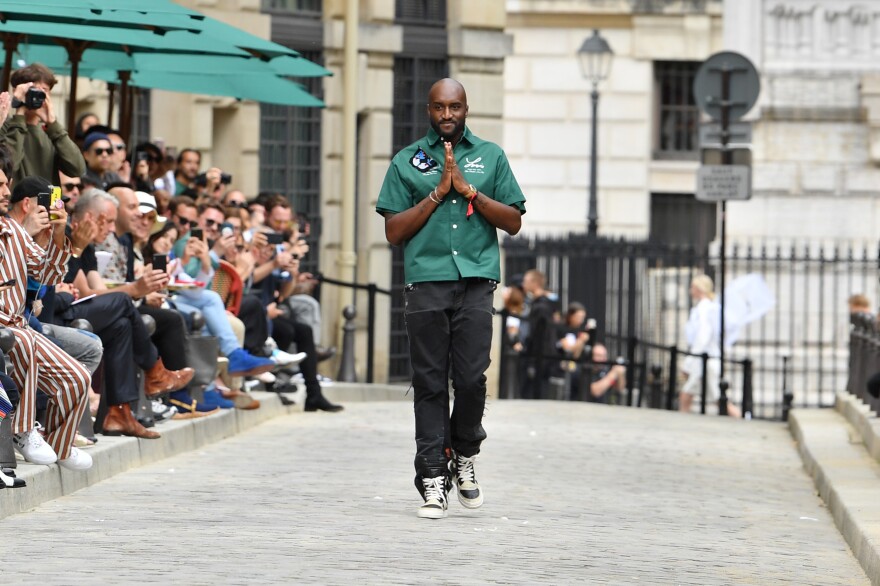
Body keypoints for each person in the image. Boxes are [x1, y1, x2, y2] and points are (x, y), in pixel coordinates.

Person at [376, 78, 526, 519]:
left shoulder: (491, 156)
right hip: (427, 281)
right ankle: (432, 476)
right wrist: (438, 193)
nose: (447, 115)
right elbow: (393, 231)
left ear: (466, 109)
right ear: (428, 110)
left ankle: (464, 453)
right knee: (429, 381)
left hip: (477, 281)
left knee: (472, 378)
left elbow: (513, 222)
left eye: (455, 107)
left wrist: (470, 192)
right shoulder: (406, 161)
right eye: (439, 108)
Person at [0, 160, 95, 470]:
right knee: (23, 340)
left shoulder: (12, 227)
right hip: (8, 327)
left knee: (78, 376)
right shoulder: (16, 228)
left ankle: (60, 443)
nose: (6, 192)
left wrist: (57, 233)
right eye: (0, 185)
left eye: (6, 184)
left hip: (18, 324)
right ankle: (22, 431)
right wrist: (27, 232)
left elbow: (47, 274)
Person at [0, 63, 86, 185]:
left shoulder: (52, 132)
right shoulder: (4, 127)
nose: (37, 96)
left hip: (48, 202)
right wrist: (19, 113)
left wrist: (53, 125)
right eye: (32, 90)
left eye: (44, 91)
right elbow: (9, 168)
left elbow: (77, 169)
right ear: (16, 91)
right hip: (17, 203)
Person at [679, 275, 742, 417]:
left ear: (699, 289)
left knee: (717, 399)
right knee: (687, 395)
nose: (690, 291)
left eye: (692, 287)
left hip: (704, 361)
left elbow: (702, 338)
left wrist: (688, 363)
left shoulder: (704, 309)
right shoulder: (710, 308)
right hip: (705, 361)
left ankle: (741, 419)